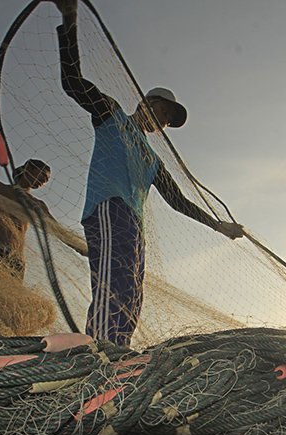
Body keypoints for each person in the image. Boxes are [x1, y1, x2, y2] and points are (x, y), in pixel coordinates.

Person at [53, 0, 244, 346]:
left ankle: (118, 352)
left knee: (131, 292)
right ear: (145, 104)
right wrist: (69, 21)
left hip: (133, 224)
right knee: (112, 286)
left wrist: (219, 225)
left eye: (170, 120)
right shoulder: (112, 115)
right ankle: (98, 355)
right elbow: (72, 82)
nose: (165, 121)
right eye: (163, 111)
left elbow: (178, 201)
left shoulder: (154, 159)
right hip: (108, 209)